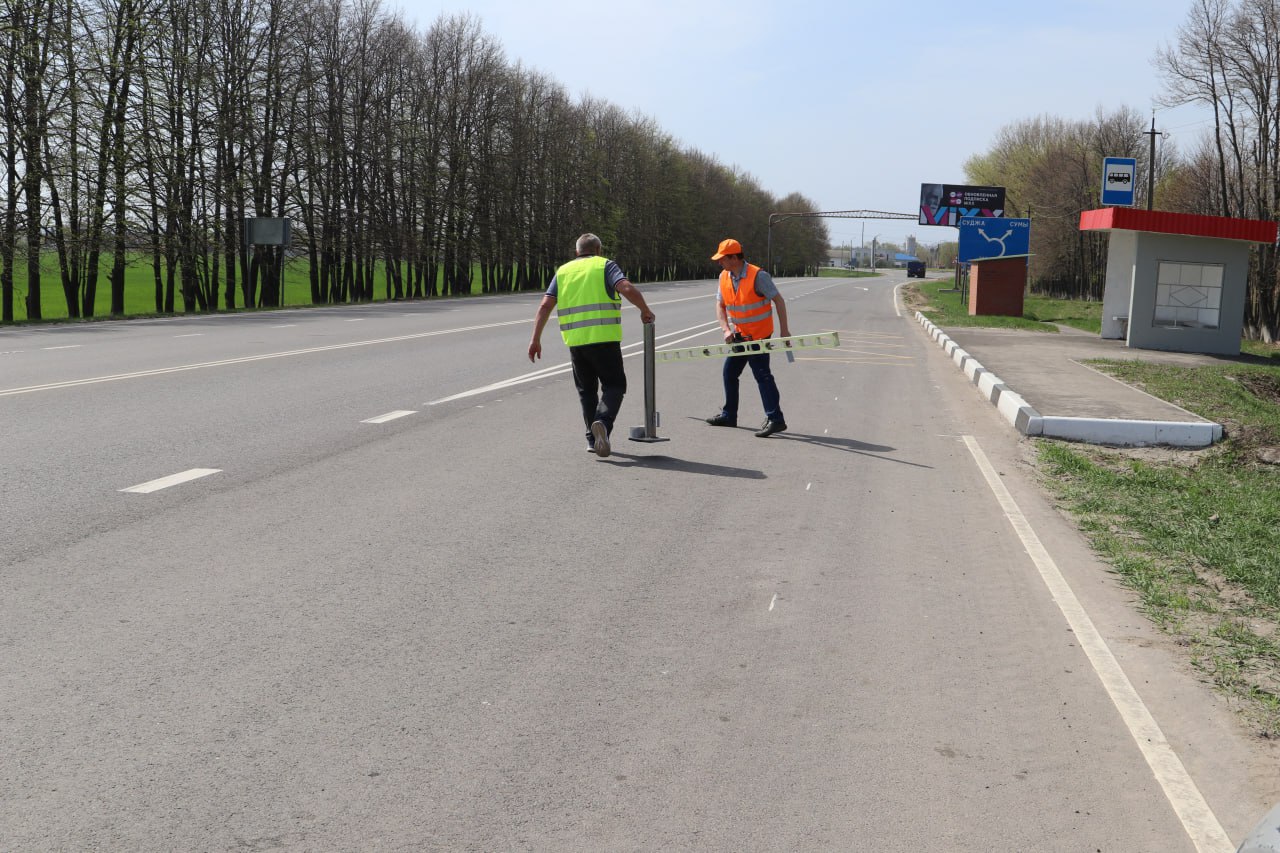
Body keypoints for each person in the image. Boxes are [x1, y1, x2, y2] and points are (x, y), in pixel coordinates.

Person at [528, 233, 655, 458]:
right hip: (604, 339)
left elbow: (545, 305)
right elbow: (625, 287)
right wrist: (644, 310)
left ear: (577, 252)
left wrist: (535, 339)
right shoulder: (605, 265)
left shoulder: (563, 271)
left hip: (576, 342)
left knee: (586, 391)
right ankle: (603, 424)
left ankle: (591, 438)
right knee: (615, 386)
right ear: (598, 250)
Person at [704, 238, 790, 438]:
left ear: (734, 258)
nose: (720, 263)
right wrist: (726, 329)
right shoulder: (724, 277)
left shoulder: (758, 276)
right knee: (729, 373)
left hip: (759, 335)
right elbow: (720, 305)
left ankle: (776, 419)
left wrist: (784, 330)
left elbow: (778, 300)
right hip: (740, 335)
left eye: (723, 259)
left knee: (762, 375)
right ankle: (729, 415)